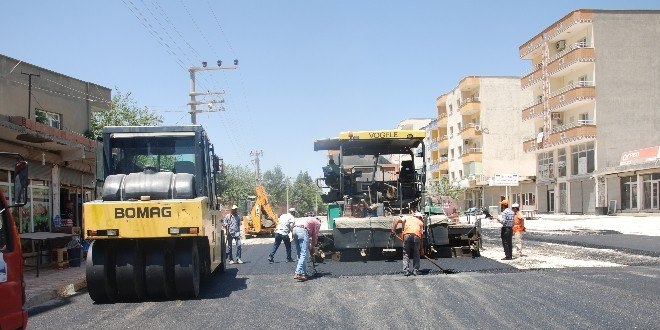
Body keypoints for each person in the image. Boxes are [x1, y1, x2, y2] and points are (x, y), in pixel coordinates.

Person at [391, 212, 424, 276]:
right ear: (419, 217)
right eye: (421, 218)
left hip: (407, 235)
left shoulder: (407, 217)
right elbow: (421, 238)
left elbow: (396, 219)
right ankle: (415, 271)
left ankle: (406, 271)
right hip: (416, 236)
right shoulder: (421, 223)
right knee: (416, 253)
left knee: (406, 253)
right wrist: (421, 249)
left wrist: (393, 230)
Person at [292, 215, 321, 282]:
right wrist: (313, 246)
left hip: (295, 230)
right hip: (302, 230)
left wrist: (310, 245)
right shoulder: (318, 223)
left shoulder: (309, 219)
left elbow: (310, 235)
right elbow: (315, 236)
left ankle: (303, 273)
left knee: (300, 253)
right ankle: (298, 272)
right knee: (304, 253)